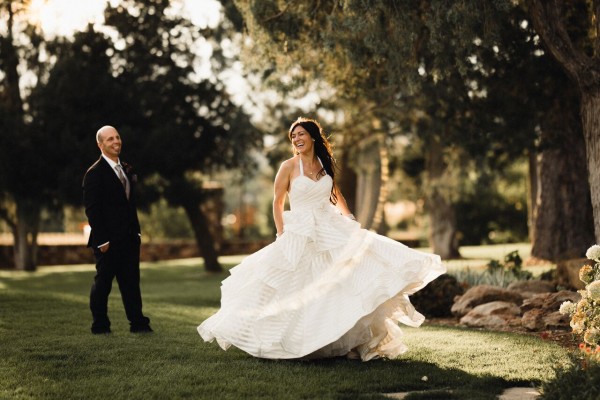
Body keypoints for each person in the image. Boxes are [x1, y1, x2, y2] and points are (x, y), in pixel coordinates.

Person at [198, 117, 445, 360]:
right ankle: (292, 340)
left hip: (329, 227)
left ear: (313, 136)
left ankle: (347, 341)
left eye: (301, 134)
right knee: (296, 283)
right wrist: (281, 232)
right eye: (293, 136)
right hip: (300, 231)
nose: (296, 138)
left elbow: (336, 194)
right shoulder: (289, 166)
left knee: (345, 282)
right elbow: (277, 201)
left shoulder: (324, 164)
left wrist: (349, 219)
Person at [83, 125, 152, 334]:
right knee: (103, 284)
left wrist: (137, 232)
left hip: (129, 239)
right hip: (107, 242)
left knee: (131, 283)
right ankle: (100, 325)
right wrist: (103, 241)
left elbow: (131, 206)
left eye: (117, 137)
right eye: (110, 139)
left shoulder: (127, 169)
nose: (116, 142)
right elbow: (92, 210)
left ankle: (138, 324)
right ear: (100, 144)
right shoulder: (94, 174)